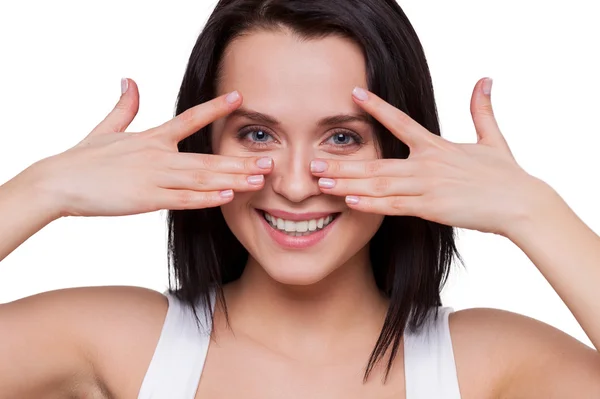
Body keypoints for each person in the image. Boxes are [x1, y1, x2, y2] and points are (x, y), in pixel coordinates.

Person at [1, 0, 599, 397]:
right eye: (257, 134)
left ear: (399, 149)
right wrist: (44, 190)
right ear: (207, 143)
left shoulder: (489, 364)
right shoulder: (119, 339)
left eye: (342, 138)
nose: (292, 184)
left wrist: (533, 211)